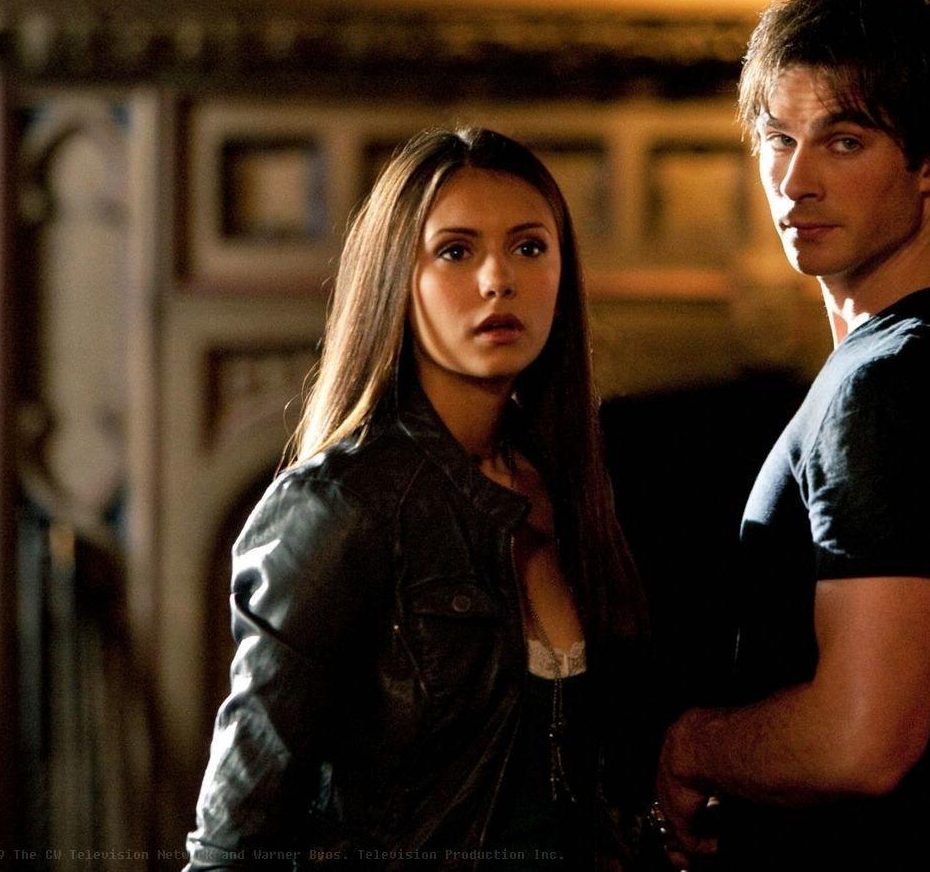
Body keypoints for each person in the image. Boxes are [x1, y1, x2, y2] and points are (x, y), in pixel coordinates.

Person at [653, 0, 930, 867]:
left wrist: (691, 747)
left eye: (844, 141)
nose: (795, 181)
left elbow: (861, 741)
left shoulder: (893, 380)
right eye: (777, 137)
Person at [186, 127, 653, 870]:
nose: (498, 279)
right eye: (456, 251)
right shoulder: (339, 508)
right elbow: (233, 844)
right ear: (397, 280)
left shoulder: (574, 486)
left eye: (530, 247)